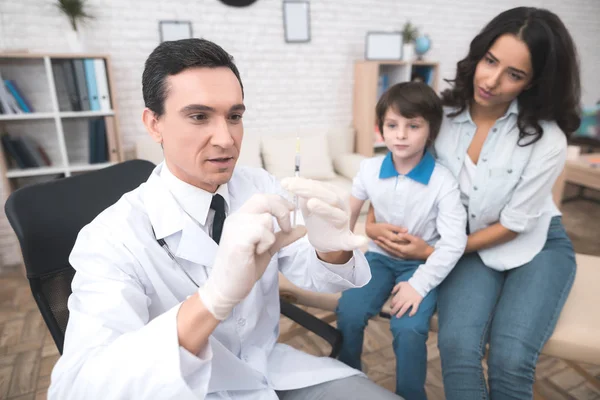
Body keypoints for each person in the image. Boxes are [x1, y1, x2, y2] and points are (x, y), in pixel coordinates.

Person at [48, 38, 404, 400]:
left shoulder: (258, 186)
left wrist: (330, 251)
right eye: (199, 116)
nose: (226, 138)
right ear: (154, 124)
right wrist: (212, 299)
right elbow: (77, 388)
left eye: (234, 116)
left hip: (273, 371)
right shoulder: (111, 238)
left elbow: (312, 271)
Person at [365, 7, 581, 400]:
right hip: (464, 244)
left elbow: (515, 225)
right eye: (490, 61)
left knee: (510, 359)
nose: (492, 80)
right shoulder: (439, 116)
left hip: (535, 245)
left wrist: (433, 250)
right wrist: (372, 220)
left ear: (535, 82)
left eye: (514, 74)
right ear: (478, 55)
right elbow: (395, 168)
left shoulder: (547, 140)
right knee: (458, 348)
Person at [337, 82, 468, 400]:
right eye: (392, 125)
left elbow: (453, 243)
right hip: (379, 258)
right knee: (349, 312)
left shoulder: (443, 181)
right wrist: (335, 252)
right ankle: (346, 381)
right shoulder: (368, 169)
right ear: (380, 129)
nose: (401, 135)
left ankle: (411, 395)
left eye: (413, 126)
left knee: (407, 328)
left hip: (422, 265)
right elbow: (346, 215)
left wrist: (420, 285)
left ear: (431, 130)